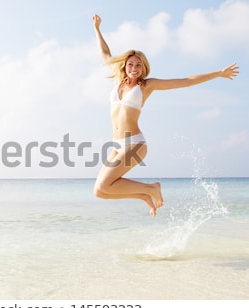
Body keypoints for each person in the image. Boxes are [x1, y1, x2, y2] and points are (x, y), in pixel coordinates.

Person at [92, 14, 239, 217]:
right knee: (100, 191)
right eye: (131, 64)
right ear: (125, 66)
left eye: (138, 65)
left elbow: (185, 80)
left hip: (135, 143)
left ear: (143, 68)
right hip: (116, 146)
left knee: (105, 183)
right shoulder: (118, 81)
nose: (134, 68)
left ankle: (152, 188)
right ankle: (143, 195)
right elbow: (105, 54)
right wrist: (97, 29)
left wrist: (218, 73)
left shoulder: (147, 85)